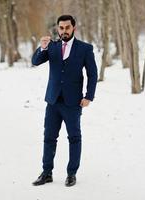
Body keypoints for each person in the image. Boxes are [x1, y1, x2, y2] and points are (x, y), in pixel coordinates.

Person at [31, 15, 98, 187]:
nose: (64, 31)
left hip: (73, 103)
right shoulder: (51, 47)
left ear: (73, 28)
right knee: (49, 138)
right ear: (58, 29)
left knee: (74, 138)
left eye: (67, 27)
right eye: (61, 28)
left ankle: (71, 174)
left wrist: (88, 96)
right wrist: (42, 48)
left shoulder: (85, 48)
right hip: (53, 101)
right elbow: (35, 61)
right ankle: (46, 173)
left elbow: (92, 74)